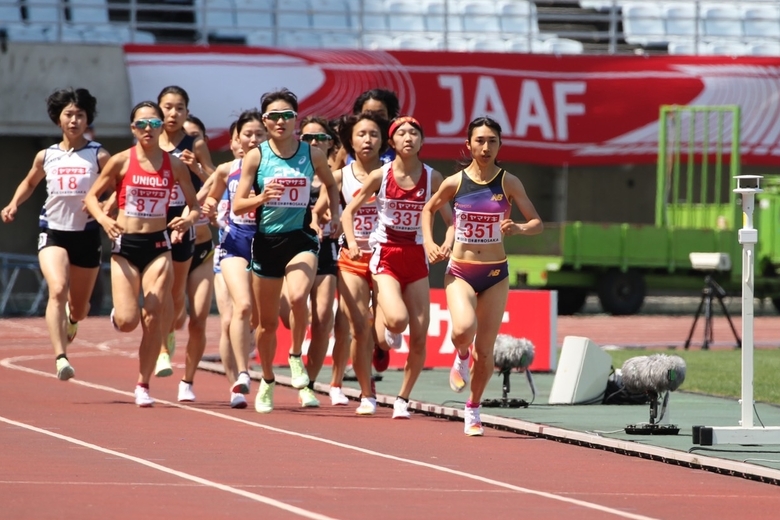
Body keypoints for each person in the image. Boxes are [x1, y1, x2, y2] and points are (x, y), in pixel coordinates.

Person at [422, 116, 543, 436]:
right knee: (463, 329)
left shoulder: (509, 182)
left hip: (495, 274)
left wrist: (518, 227)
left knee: (486, 351)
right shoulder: (454, 182)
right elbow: (428, 210)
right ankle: (461, 355)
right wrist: (431, 244)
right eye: (480, 140)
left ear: (500, 145)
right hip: (460, 271)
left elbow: (537, 223)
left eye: (492, 141)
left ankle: (473, 409)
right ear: (468, 145)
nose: (486, 146)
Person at [84, 101, 201, 407]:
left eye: (154, 124)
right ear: (132, 129)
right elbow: (92, 197)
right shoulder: (121, 161)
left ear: (163, 128)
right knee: (128, 321)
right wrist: (105, 219)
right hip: (126, 246)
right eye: (141, 125)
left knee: (152, 314)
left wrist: (187, 219)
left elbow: (194, 203)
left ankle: (142, 384)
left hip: (159, 246)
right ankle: (120, 316)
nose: (148, 130)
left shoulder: (174, 165)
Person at [232, 88, 340, 414]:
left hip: (301, 238)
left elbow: (331, 184)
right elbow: (238, 205)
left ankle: (295, 357)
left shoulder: (312, 154)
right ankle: (266, 379)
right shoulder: (257, 156)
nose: (280, 121)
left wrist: (332, 214)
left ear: (296, 119)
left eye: (287, 115)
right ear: (265, 121)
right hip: (266, 243)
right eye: (273, 116)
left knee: (297, 297)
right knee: (265, 325)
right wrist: (261, 198)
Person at [341, 116, 453, 418]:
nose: (408, 137)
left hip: (416, 256)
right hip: (385, 255)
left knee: (419, 336)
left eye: (414, 133)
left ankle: (403, 398)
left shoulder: (433, 178)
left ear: (421, 141)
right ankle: (385, 334)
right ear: (392, 142)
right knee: (399, 320)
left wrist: (445, 244)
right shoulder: (381, 175)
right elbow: (348, 212)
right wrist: (352, 242)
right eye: (401, 133)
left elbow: (451, 220)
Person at [1, 88, 110, 380]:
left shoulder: (99, 155)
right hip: (53, 233)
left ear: (88, 120)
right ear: (58, 119)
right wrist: (13, 204)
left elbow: (116, 190)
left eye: (80, 115)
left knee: (80, 307)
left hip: (86, 235)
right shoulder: (46, 155)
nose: (74, 120)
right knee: (58, 289)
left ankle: (73, 320)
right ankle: (61, 357)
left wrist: (106, 208)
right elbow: (29, 183)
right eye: (69, 115)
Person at [203, 110, 267, 408]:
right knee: (232, 315)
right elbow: (210, 197)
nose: (253, 140)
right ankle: (237, 383)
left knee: (256, 318)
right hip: (233, 244)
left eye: (259, 134)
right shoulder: (227, 170)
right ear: (236, 139)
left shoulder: (276, 169)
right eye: (248, 134)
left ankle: (250, 357)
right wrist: (206, 209)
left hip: (267, 245)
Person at [279, 115, 341, 407]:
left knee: (323, 318)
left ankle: (310, 384)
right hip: (291, 250)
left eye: (320, 138)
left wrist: (336, 217)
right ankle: (293, 355)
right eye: (307, 138)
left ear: (331, 143)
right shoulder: (290, 169)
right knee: (288, 313)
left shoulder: (340, 174)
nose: (314, 143)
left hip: (325, 249)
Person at [327, 112, 387, 412]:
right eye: (362, 134)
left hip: (386, 258)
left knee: (385, 327)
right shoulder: (341, 177)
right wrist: (323, 219)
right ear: (350, 141)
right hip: (352, 258)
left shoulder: (392, 173)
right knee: (358, 326)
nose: (368, 140)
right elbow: (319, 209)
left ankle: (382, 344)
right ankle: (366, 394)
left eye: (374, 134)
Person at [155, 86, 215, 378]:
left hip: (189, 224)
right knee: (162, 291)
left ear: (186, 112)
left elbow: (217, 183)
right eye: (167, 107)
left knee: (177, 295)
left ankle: (183, 370)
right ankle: (164, 349)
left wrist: (198, 168)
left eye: (179, 108)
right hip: (156, 224)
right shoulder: (149, 141)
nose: (173, 113)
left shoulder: (196, 144)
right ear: (158, 110)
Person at [334, 89, 399, 168]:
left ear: (390, 117)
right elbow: (331, 179)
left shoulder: (398, 148)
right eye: (368, 114)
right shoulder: (346, 150)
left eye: (381, 115)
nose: (374, 119)